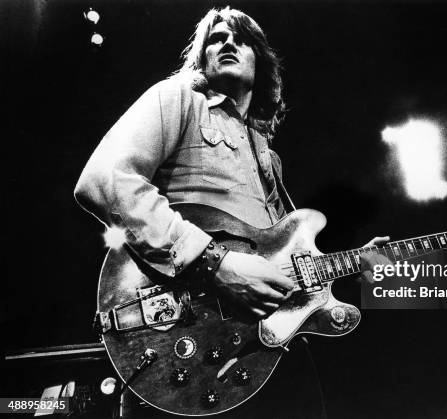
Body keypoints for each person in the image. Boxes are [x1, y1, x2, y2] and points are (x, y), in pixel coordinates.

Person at [75, 6, 387, 418]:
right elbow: (104, 180)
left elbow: (282, 259)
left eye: (240, 39)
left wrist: (344, 263)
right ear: (200, 58)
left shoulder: (268, 157)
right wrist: (212, 262)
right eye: (215, 38)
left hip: (259, 356)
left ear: (261, 61)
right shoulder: (176, 99)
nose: (227, 43)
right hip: (180, 333)